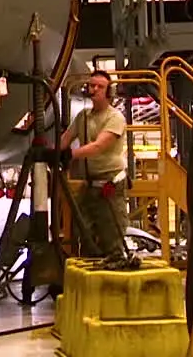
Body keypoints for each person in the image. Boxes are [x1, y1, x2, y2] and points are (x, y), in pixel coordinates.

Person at [57, 70, 134, 267]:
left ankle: (117, 262)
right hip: (89, 183)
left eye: (100, 87)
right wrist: (53, 151)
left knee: (111, 228)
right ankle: (92, 264)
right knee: (84, 227)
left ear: (110, 92)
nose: (95, 90)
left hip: (110, 183)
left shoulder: (115, 118)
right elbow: (67, 137)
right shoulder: (83, 116)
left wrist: (71, 155)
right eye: (92, 86)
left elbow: (99, 146)